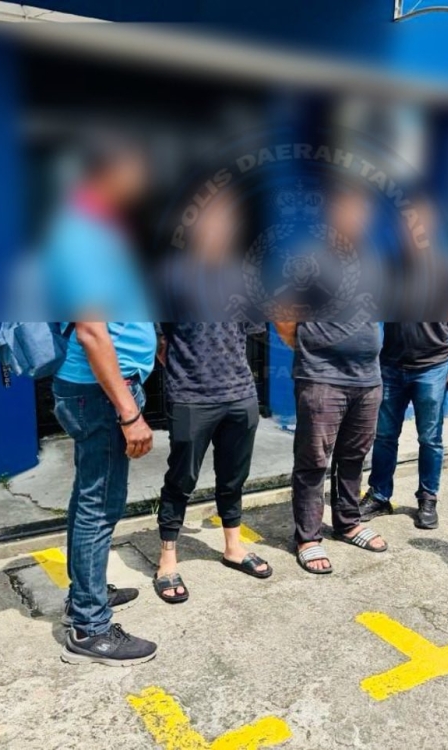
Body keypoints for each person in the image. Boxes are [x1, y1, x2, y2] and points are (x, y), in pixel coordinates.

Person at [45, 138, 159, 665]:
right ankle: (90, 627)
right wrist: (129, 412)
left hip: (101, 390)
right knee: (99, 505)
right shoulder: (82, 232)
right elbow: (91, 331)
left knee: (92, 498)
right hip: (98, 394)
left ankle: (83, 596)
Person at [153, 198, 271, 604]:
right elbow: (161, 339)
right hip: (192, 396)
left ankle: (233, 547)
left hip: (240, 395)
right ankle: (168, 557)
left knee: (233, 478)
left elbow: (252, 329)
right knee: (181, 479)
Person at [274, 188, 388, 574]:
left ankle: (348, 521)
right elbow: (284, 315)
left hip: (368, 378)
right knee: (313, 460)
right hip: (322, 378)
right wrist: (310, 350)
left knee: (355, 455)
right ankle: (308, 536)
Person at [358, 322, 448, 530]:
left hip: (433, 367)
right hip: (390, 364)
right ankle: (379, 496)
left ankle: (428, 498)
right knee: (384, 436)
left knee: (430, 439)